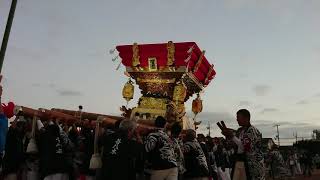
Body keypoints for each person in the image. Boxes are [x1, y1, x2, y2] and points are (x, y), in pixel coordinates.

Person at [221, 109, 265, 180]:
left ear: (246, 118)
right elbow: (232, 146)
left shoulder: (252, 131)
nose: (237, 119)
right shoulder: (239, 131)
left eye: (238, 117)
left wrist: (231, 136)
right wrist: (228, 136)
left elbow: (245, 147)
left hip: (252, 165)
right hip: (239, 161)